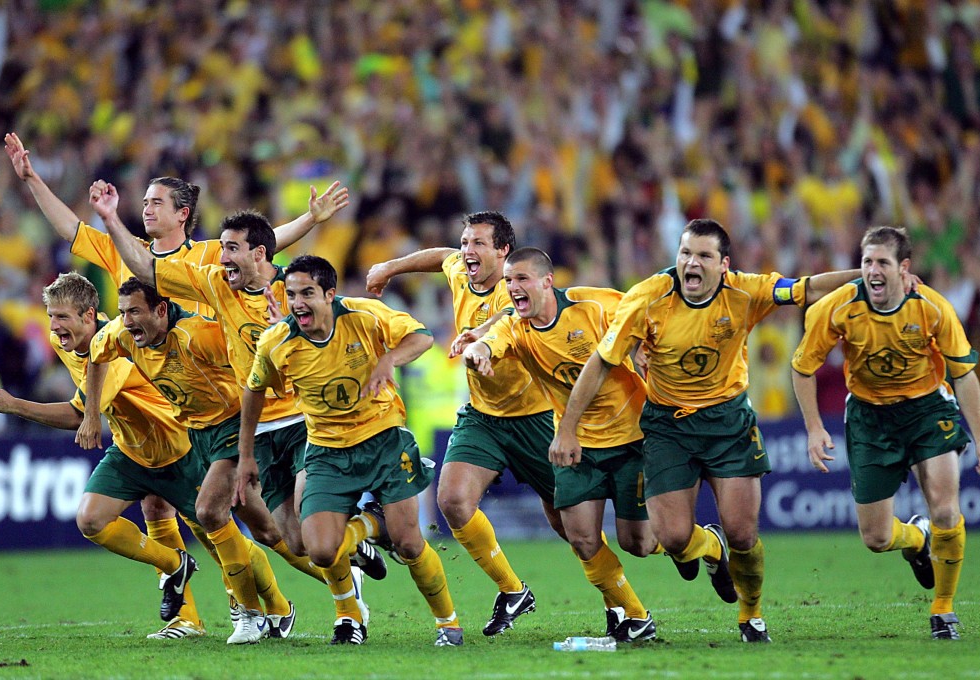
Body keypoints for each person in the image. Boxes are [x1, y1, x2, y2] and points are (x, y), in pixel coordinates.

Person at [3, 131, 350, 597]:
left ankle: (331, 581)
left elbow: (265, 245)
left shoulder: (207, 257)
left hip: (217, 404)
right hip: (167, 404)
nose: (145, 209)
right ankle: (226, 609)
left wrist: (310, 217)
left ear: (182, 214)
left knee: (257, 526)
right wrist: (31, 179)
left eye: (155, 202)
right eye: (143, 201)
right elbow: (71, 230)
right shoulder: (122, 249)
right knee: (182, 512)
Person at [553, 218, 864, 643]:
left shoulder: (745, 290)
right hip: (667, 427)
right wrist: (567, 427)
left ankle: (750, 614)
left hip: (727, 423)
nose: (691, 263)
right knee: (673, 538)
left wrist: (865, 276)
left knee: (743, 533)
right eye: (685, 253)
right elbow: (602, 362)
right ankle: (710, 548)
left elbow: (807, 288)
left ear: (724, 264)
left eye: (703, 256)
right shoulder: (647, 297)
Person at [89, 184, 387, 588]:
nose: (225, 257)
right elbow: (146, 269)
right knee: (281, 535)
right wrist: (108, 218)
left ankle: (333, 606)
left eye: (155, 202)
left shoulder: (290, 290)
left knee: (227, 513)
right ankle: (350, 543)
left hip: (294, 417)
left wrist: (291, 325)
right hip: (248, 424)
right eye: (225, 250)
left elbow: (331, 331)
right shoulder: (213, 282)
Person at [235, 255, 464, 647]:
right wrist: (245, 457)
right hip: (326, 451)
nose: (298, 303)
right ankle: (361, 570)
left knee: (409, 543)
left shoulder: (364, 314)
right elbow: (254, 390)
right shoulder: (277, 342)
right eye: (291, 294)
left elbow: (422, 336)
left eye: (308, 293)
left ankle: (448, 624)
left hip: (383, 439)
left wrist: (388, 359)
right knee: (319, 550)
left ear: (330, 293)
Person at [366, 211, 567, 637]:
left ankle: (629, 603)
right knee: (453, 501)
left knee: (574, 526)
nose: (467, 251)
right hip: (484, 416)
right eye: (465, 242)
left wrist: (479, 332)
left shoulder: (522, 287)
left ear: (503, 252)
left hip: (535, 418)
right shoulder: (459, 268)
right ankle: (512, 590)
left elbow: (513, 316)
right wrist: (390, 267)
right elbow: (441, 256)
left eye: (478, 243)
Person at [0, 273, 209, 638]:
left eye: (62, 317)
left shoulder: (113, 349)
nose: (54, 327)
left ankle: (268, 608)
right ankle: (181, 595)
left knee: (217, 530)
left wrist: (15, 406)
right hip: (133, 445)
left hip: (179, 441)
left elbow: (81, 413)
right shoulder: (66, 343)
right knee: (93, 519)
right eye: (50, 316)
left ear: (89, 316)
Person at [791, 225, 980, 641]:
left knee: (945, 509)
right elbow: (803, 366)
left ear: (904, 269)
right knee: (877, 538)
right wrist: (813, 427)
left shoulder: (931, 308)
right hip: (869, 416)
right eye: (866, 262)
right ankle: (916, 539)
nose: (872, 271)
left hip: (926, 408)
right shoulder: (839, 307)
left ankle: (943, 609)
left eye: (882, 262)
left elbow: (963, 373)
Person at [462, 247, 665, 643]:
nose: (513, 288)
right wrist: (475, 353)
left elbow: (646, 316)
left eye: (521, 279)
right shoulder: (513, 328)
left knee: (640, 542)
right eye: (508, 282)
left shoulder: (592, 304)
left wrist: (646, 347)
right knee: (582, 537)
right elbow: (486, 344)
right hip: (574, 442)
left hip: (631, 436)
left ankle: (705, 543)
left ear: (547, 281)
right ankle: (636, 616)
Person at [91, 277, 301, 644]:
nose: (127, 321)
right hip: (197, 436)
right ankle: (327, 579)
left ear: (160, 309)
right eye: (122, 313)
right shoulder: (120, 335)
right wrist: (92, 413)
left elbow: (255, 360)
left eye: (135, 312)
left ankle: (251, 614)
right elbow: (96, 353)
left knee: (210, 513)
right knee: (270, 529)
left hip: (232, 428)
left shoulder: (198, 334)